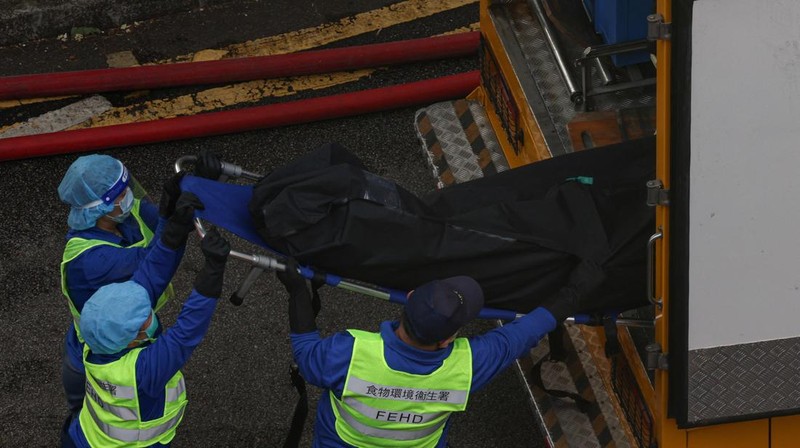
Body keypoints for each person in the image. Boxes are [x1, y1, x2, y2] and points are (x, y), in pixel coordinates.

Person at [277, 259, 605, 447]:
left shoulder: (349, 353)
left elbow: (305, 351)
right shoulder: (468, 366)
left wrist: (295, 289)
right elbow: (527, 331)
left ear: (409, 297)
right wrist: (575, 292)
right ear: (448, 339)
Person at [57, 154, 194, 432]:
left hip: (123, 338)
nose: (130, 196)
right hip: (97, 364)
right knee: (100, 422)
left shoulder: (121, 217)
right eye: (122, 193)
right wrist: (175, 227)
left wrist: (189, 190)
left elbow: (160, 219)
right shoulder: (91, 262)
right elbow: (155, 265)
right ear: (101, 206)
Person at [63, 228, 231, 448]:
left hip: (84, 437)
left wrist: (173, 234)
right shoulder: (142, 372)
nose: (151, 316)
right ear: (131, 341)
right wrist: (213, 272)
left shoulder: (96, 338)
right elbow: (186, 333)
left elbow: (145, 281)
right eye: (143, 319)